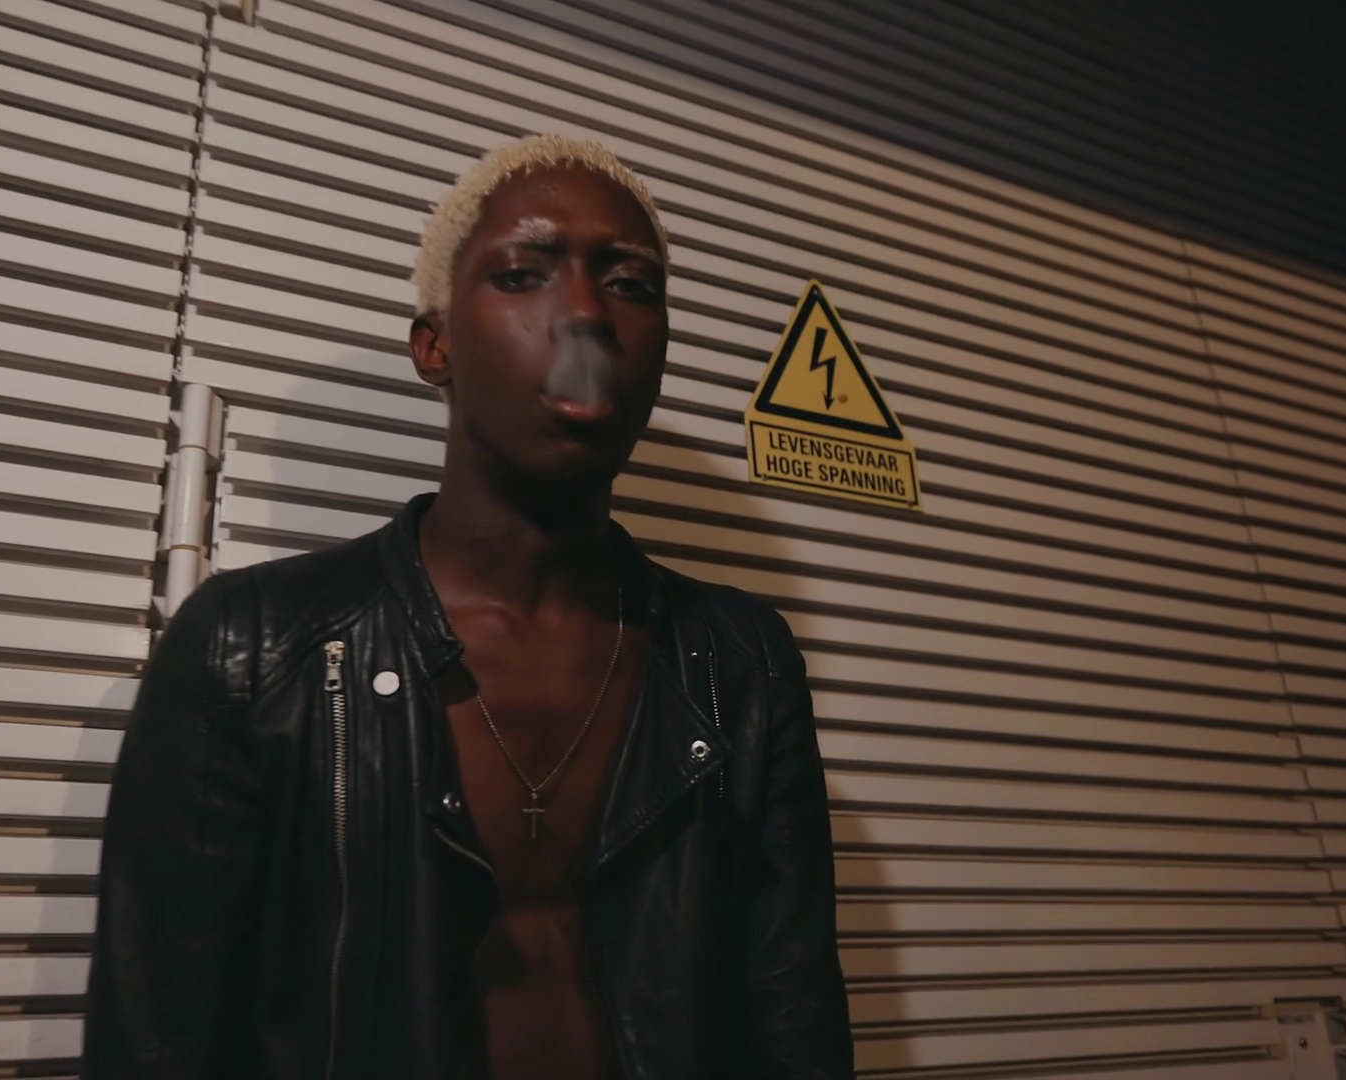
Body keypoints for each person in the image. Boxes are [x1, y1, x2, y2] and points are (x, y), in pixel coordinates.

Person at [81, 134, 852, 1080]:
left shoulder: (741, 666)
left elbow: (796, 1027)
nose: (585, 314)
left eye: (631, 284)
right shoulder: (247, 650)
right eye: (523, 274)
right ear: (434, 344)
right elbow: (158, 1046)